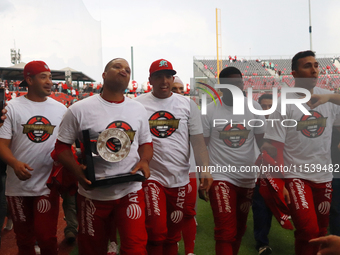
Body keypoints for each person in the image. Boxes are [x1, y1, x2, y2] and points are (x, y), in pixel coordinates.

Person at [55, 58, 153, 255]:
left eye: (127, 69)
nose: (123, 70)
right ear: (104, 75)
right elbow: (61, 147)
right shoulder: (79, 109)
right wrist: (76, 171)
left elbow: (146, 143)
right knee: (92, 250)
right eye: (117, 67)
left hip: (130, 190)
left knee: (135, 249)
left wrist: (144, 160)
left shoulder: (138, 109)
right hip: (93, 194)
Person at [262, 50, 340, 255]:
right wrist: (281, 183)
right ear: (294, 73)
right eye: (308, 66)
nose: (314, 70)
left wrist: (329, 98)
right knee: (309, 230)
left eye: (316, 65)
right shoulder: (283, 103)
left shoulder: (327, 98)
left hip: (324, 176)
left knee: (321, 232)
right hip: (296, 177)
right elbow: (275, 147)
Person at [135, 59, 212, 255]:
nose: (164, 81)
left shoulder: (187, 104)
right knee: (156, 231)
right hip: (152, 177)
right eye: (159, 76)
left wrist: (205, 169)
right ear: (150, 79)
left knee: (173, 234)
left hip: (179, 178)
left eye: (168, 76)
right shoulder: (136, 105)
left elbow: (197, 140)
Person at [0, 60, 67, 255]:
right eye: (43, 77)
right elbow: (2, 144)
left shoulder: (61, 109)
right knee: (24, 241)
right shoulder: (11, 108)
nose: (49, 82)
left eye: (50, 77)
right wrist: (14, 163)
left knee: (47, 239)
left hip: (47, 185)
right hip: (18, 186)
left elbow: (67, 145)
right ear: (29, 80)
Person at [202, 66, 267, 255]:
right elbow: (202, 146)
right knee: (225, 231)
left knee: (239, 229)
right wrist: (202, 175)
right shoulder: (210, 110)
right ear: (221, 86)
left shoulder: (254, 107)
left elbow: (262, 142)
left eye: (239, 82)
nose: (238, 87)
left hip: (247, 177)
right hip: (220, 177)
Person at [171, 76, 198, 255]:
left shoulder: (190, 108)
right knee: (166, 216)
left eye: (182, 89)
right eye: (176, 89)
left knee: (188, 213)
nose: (180, 92)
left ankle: (189, 251)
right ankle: (172, 246)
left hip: (190, 169)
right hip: (162, 173)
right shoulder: (150, 108)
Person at [252, 93, 274, 255]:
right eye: (263, 106)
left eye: (269, 106)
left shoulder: (281, 124)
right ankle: (262, 242)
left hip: (279, 172)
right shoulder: (253, 123)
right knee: (261, 207)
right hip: (258, 173)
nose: (266, 109)